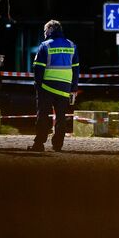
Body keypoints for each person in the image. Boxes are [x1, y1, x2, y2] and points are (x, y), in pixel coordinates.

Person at [27, 20, 79, 152]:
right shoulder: (72, 45)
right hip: (65, 87)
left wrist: (37, 84)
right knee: (61, 116)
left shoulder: (45, 45)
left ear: (50, 30)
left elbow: (38, 68)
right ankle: (58, 144)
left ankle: (39, 143)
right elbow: (76, 69)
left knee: (43, 115)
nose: (44, 34)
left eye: (45, 31)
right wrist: (73, 88)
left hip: (47, 86)